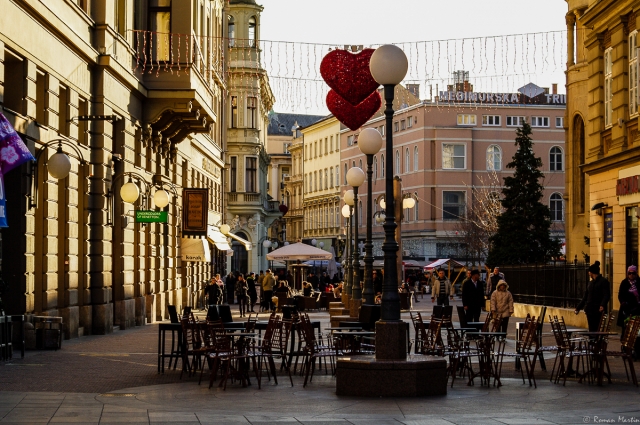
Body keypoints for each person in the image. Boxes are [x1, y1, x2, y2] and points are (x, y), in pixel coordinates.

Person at [575, 261, 611, 332]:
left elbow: (606, 295)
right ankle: (592, 341)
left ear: (592, 272)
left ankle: (596, 341)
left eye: (589, 272)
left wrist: (602, 305)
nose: (588, 273)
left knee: (597, 328)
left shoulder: (603, 282)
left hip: (598, 310)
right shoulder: (590, 283)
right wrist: (578, 307)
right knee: (591, 329)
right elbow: (585, 297)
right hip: (590, 310)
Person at [617, 265, 640, 335]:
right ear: (627, 274)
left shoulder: (639, 282)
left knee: (636, 329)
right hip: (626, 309)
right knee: (626, 329)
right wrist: (623, 303)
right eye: (630, 273)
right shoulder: (624, 283)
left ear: (636, 273)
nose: (631, 275)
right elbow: (620, 295)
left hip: (637, 309)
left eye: (633, 273)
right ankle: (624, 344)